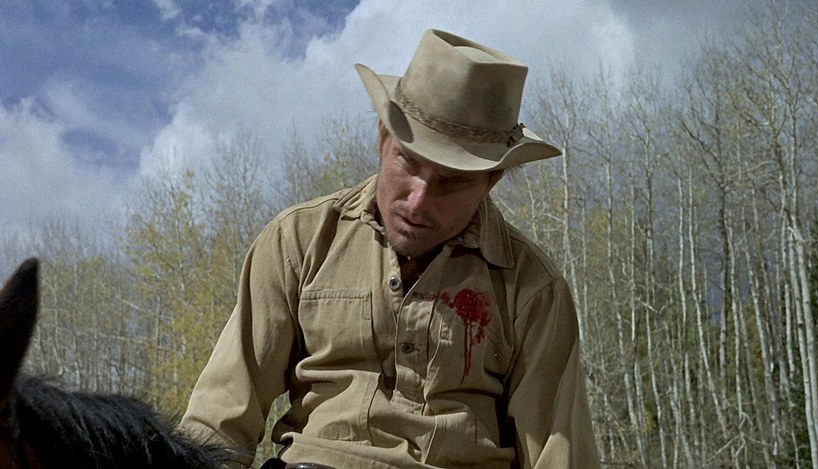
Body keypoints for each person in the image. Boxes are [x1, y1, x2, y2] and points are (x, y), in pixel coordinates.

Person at [180, 28, 600, 469]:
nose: (418, 200)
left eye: (452, 182)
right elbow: (217, 427)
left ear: (491, 180)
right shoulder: (299, 242)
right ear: (382, 137)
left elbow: (560, 456)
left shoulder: (532, 289)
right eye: (409, 162)